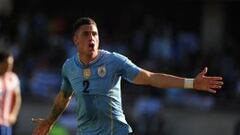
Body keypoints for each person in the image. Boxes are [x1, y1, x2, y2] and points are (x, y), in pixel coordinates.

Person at [32, 17, 224, 135]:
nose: (91, 38)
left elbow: (150, 78)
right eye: (86, 34)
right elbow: (64, 96)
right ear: (75, 39)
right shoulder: (69, 67)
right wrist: (50, 121)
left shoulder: (114, 61)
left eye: (95, 34)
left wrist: (191, 83)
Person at [0, 50, 22, 135]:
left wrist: (14, 114)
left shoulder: (13, 78)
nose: (9, 66)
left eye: (11, 64)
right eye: (7, 63)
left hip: (6, 122)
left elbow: (17, 97)